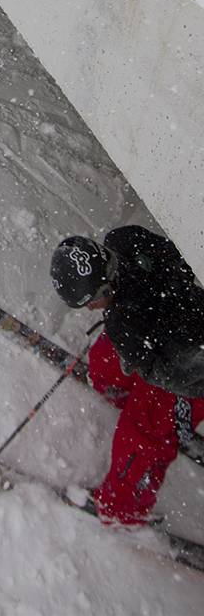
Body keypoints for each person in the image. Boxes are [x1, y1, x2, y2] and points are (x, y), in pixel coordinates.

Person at [51, 225, 204, 526]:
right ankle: (120, 393)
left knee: (145, 428)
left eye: (93, 298)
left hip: (190, 366)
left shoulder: (125, 326)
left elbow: (167, 373)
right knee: (106, 361)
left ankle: (123, 508)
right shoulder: (123, 240)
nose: (92, 307)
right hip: (163, 331)